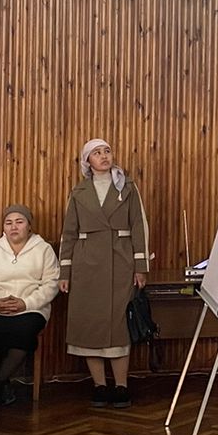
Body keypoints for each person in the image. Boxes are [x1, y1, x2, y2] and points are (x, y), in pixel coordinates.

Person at [58, 140, 150, 409]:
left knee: (118, 325)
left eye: (107, 151)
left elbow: (139, 226)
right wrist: (65, 271)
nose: (104, 156)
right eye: (97, 153)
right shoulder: (78, 192)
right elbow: (68, 234)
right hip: (86, 266)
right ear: (87, 161)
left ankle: (121, 386)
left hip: (120, 263)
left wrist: (140, 267)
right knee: (90, 325)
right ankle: (99, 386)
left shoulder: (127, 187)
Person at [0, 205, 61, 408]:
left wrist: (26, 303)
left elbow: (52, 284)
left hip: (31, 308)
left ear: (29, 226)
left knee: (23, 331)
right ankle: (3, 385)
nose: (14, 227)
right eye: (8, 223)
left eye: (19, 222)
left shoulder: (43, 249)